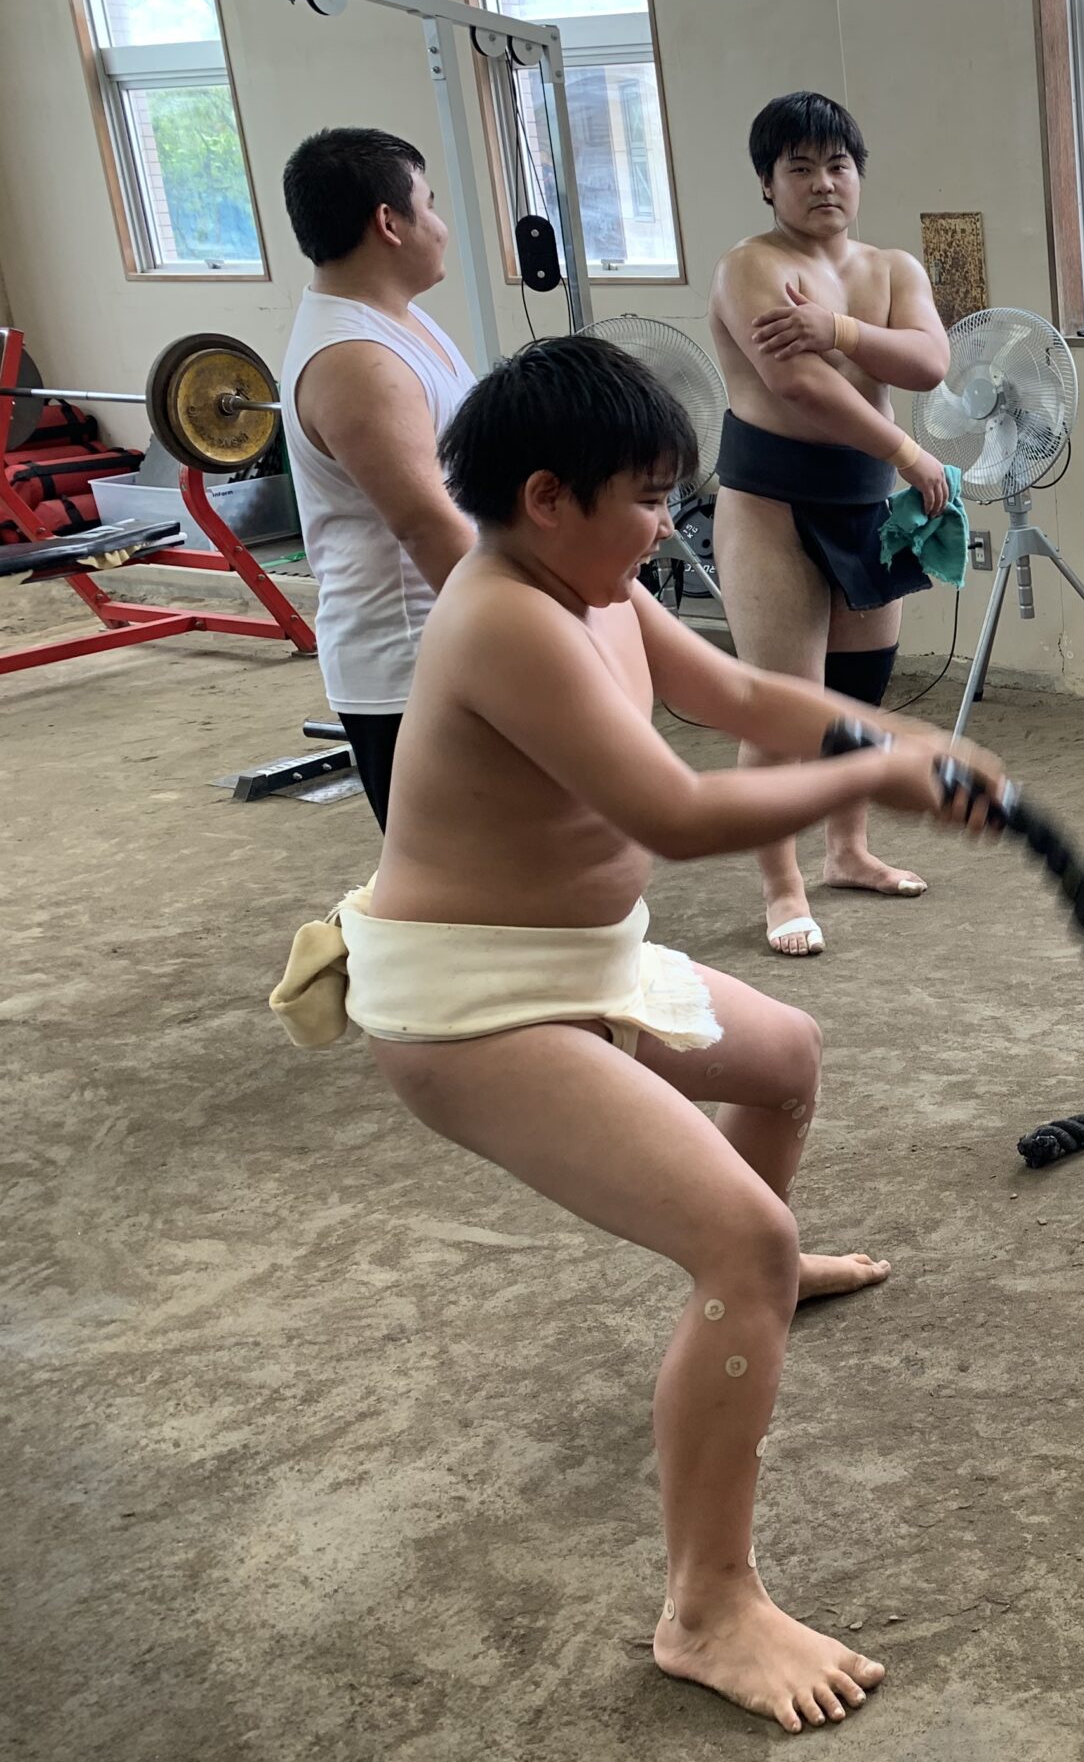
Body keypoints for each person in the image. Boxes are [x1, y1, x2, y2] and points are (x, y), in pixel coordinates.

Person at [268, 334, 1005, 1733]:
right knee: (746, 1242)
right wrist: (891, 779)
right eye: (650, 498)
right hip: (470, 1005)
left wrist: (888, 742)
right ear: (548, 499)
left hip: (582, 960)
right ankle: (706, 1608)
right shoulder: (505, 618)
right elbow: (675, 808)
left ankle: (743, 1284)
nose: (669, 527)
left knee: (785, 1061)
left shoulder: (596, 590)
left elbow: (746, 698)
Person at [709, 91, 956, 956]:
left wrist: (839, 327)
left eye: (838, 165)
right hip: (770, 502)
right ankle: (781, 887)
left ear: (859, 175)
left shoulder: (891, 270)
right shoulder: (749, 267)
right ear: (767, 184)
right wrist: (908, 453)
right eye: (801, 168)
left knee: (857, 699)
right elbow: (797, 383)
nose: (823, 183)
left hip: (863, 500)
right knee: (784, 711)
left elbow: (929, 362)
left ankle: (848, 851)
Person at [278, 127, 480, 829]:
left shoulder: (400, 320)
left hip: (455, 644)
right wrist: (539, 631)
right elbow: (427, 524)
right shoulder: (356, 361)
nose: (441, 228)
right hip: (412, 669)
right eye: (430, 206)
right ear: (389, 223)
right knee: (463, 884)